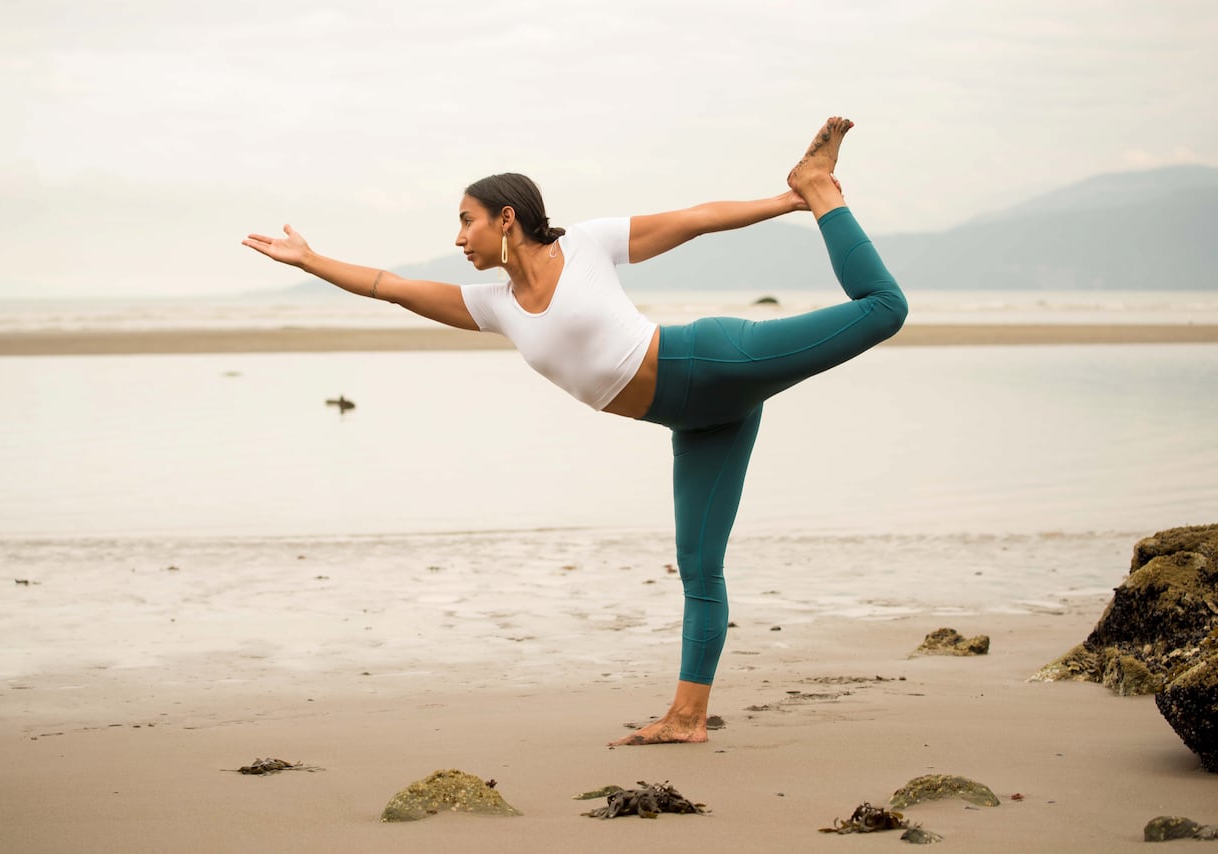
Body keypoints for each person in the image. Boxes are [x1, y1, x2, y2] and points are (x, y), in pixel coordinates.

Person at [243, 117, 908, 746]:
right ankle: (686, 717)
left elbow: (693, 221)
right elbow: (390, 286)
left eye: (466, 221)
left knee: (884, 309)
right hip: (700, 417)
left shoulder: (586, 244)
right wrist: (309, 260)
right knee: (701, 567)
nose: (458, 238)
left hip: (710, 361)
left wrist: (787, 201)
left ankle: (820, 187)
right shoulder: (494, 307)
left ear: (507, 218)